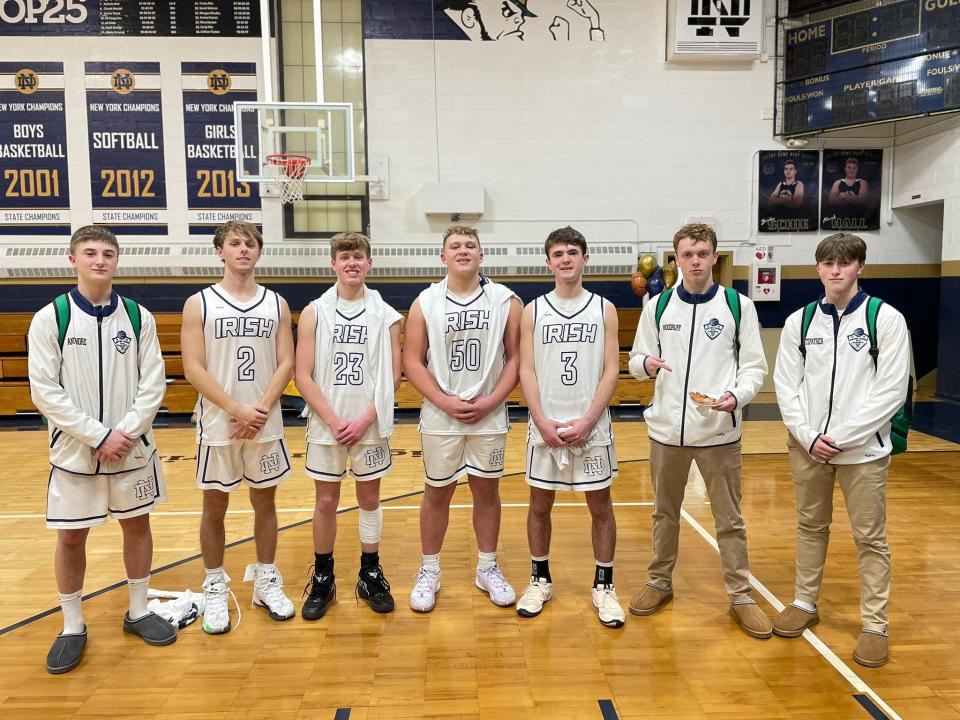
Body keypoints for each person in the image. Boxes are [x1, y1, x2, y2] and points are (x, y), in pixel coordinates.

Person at [28, 225, 176, 674]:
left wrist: (124, 433)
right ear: (72, 259)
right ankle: (72, 624)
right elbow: (44, 391)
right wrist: (97, 435)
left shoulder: (137, 317)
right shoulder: (50, 317)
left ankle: (137, 611)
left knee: (137, 527)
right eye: (90, 252)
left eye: (107, 253)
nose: (99, 260)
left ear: (117, 260)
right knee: (71, 537)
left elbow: (153, 383)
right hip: (76, 453)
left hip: (131, 450)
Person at [628, 223, 771, 638]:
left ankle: (740, 594)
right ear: (676, 259)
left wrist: (735, 396)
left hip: (719, 432)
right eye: (687, 254)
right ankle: (659, 581)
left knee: (730, 519)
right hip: (667, 431)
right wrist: (646, 365)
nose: (695, 261)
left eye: (702, 253)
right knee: (663, 513)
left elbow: (754, 367)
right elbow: (637, 359)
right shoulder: (656, 305)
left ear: (714, 256)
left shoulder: (738, 305)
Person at [773, 233, 909, 668]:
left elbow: (890, 392)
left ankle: (874, 624)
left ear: (860, 268)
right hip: (809, 447)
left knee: (871, 538)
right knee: (810, 526)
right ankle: (804, 603)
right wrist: (808, 435)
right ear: (818, 268)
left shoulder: (884, 319)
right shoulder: (800, 322)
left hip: (863, 452)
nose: (836, 270)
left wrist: (843, 436)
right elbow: (786, 386)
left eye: (845, 263)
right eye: (828, 263)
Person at [181, 220, 296, 634]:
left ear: (259, 253)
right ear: (221, 252)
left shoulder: (276, 303)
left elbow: (287, 360)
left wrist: (261, 407)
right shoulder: (200, 303)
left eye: (250, 244)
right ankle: (214, 585)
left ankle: (266, 580)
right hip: (218, 423)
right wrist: (234, 408)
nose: (243, 249)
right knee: (215, 508)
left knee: (265, 504)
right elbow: (192, 366)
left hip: (264, 422)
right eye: (235, 243)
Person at [403, 224, 522, 613]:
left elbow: (516, 358)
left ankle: (487, 568)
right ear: (443, 256)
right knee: (437, 492)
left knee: (486, 492)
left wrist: (492, 401)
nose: (463, 250)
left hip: (489, 415)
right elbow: (411, 360)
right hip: (441, 415)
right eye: (455, 245)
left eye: (471, 245)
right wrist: (443, 400)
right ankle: (429, 570)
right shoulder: (425, 301)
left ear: (481, 255)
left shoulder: (506, 300)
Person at [516, 226, 624, 627]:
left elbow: (612, 369)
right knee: (540, 505)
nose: (565, 259)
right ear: (548, 261)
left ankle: (604, 585)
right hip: (546, 425)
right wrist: (541, 420)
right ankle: (539, 579)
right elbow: (526, 369)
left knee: (600, 506)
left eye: (572, 252)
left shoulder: (604, 309)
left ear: (585, 259)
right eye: (558, 253)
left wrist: (589, 419)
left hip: (591, 427)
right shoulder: (533, 310)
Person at [295, 232, 402, 619]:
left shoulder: (387, 315)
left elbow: (394, 376)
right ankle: (323, 577)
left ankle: (369, 572)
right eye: (345, 257)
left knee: (370, 500)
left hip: (368, 425)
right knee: (325, 501)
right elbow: (302, 374)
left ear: (369, 264)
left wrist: (363, 420)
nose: (352, 263)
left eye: (358, 256)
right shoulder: (314, 312)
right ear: (333, 264)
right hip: (328, 424)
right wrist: (335, 420)